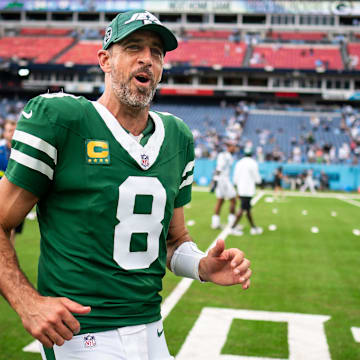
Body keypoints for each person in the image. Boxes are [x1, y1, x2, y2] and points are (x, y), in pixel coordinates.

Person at [0, 10, 252, 360]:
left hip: (152, 330)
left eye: (157, 52)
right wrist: (26, 302)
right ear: (105, 59)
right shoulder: (62, 119)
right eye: (134, 47)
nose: (147, 59)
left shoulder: (177, 137)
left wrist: (202, 266)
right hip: (81, 335)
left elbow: (174, 241)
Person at [0, 119, 24, 246]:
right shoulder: (0, 153)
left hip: (17, 200)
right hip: (2, 199)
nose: (12, 133)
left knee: (11, 235)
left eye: (15, 130)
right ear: (4, 134)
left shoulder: (24, 154)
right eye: (9, 130)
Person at [231, 147, 262, 236]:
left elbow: (235, 177)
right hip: (248, 189)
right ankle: (233, 228)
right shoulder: (253, 163)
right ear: (251, 154)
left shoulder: (239, 162)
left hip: (241, 189)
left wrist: (236, 186)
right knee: (243, 208)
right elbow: (256, 177)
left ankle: (253, 227)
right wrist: (260, 184)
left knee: (247, 209)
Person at [211, 139, 237, 230]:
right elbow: (219, 168)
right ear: (229, 147)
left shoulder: (227, 155)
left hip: (221, 180)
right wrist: (214, 181)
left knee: (220, 201)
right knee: (233, 199)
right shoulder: (225, 156)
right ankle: (232, 223)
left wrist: (215, 181)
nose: (235, 148)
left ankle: (215, 223)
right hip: (223, 180)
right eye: (234, 146)